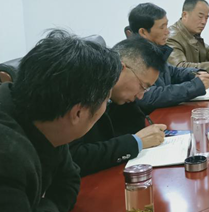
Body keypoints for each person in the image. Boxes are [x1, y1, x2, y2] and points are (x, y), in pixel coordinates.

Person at [0, 30, 121, 212]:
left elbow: (69, 180)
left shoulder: (43, 118)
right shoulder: (5, 158)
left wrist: (39, 207)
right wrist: (43, 206)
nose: (106, 107)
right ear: (78, 113)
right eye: (105, 101)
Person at [69, 37, 168, 176]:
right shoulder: (81, 92)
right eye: (142, 86)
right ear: (121, 68)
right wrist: (135, 142)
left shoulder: (119, 98)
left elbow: (134, 128)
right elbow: (74, 157)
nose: (140, 96)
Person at [129, 2, 209, 113]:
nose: (167, 31)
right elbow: (149, 97)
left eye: (166, 25)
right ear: (143, 32)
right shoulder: (134, 58)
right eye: (162, 27)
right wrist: (194, 86)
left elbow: (172, 72)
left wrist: (195, 73)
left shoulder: (156, 51)